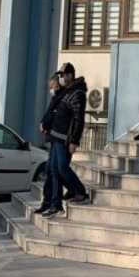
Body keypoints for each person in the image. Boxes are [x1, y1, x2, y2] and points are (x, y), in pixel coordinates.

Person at [43, 63, 89, 218]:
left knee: (62, 168)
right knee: (55, 170)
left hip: (65, 139)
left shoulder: (78, 93)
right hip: (56, 137)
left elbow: (78, 119)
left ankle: (80, 192)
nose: (61, 78)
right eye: (60, 75)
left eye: (63, 75)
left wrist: (74, 141)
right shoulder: (67, 91)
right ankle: (57, 203)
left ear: (70, 75)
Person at [35, 75, 72, 214]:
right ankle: (47, 202)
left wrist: (45, 123)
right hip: (53, 138)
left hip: (60, 139)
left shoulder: (63, 97)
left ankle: (57, 202)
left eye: (53, 86)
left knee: (57, 171)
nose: (51, 89)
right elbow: (49, 113)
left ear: (58, 84)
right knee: (50, 172)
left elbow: (55, 116)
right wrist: (43, 123)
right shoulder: (55, 97)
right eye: (50, 87)